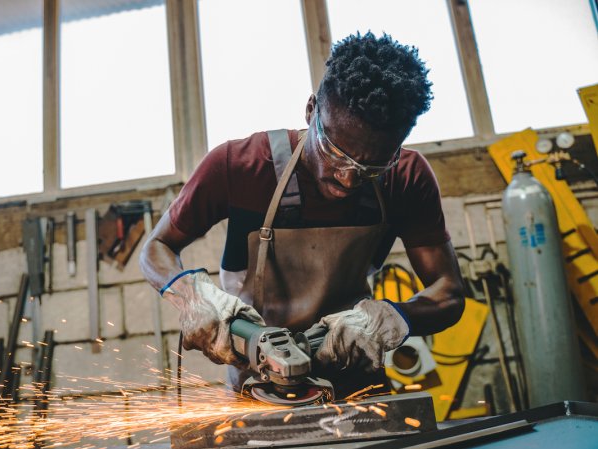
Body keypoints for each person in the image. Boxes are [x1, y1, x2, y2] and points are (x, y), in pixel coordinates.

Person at [140, 31, 465, 399]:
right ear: (311, 111)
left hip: (356, 381)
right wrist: (192, 296)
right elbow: (157, 247)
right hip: (257, 381)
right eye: (336, 153)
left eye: (373, 167)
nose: (348, 178)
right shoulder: (239, 166)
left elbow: (449, 293)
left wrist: (389, 319)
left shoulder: (406, 177)